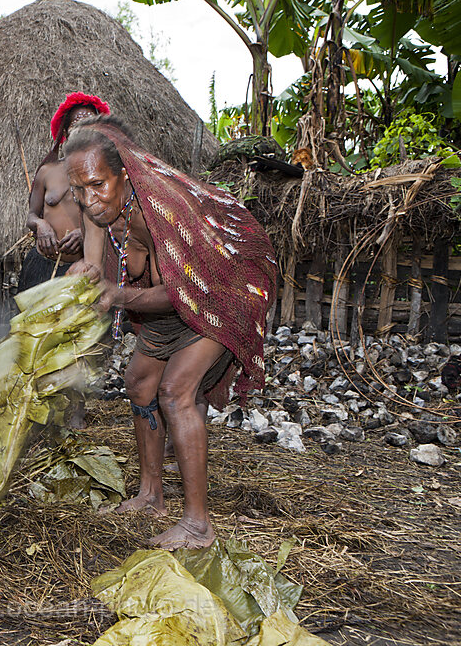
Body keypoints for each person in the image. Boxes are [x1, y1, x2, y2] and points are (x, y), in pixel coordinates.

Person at [65, 115, 276, 550]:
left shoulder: (162, 208)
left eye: (98, 185)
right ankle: (151, 495)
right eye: (79, 190)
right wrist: (87, 273)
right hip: (169, 302)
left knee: (176, 392)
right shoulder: (100, 208)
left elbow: (182, 292)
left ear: (123, 176)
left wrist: (118, 296)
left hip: (221, 292)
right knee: (140, 383)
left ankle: (198, 524)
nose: (89, 200)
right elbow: (96, 263)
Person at [20, 92, 110, 292]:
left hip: (80, 268)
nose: (82, 130)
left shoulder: (105, 176)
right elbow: (31, 215)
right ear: (66, 133)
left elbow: (114, 222)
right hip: (41, 266)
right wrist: (41, 225)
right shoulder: (47, 171)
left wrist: (85, 233)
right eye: (76, 124)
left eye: (89, 125)